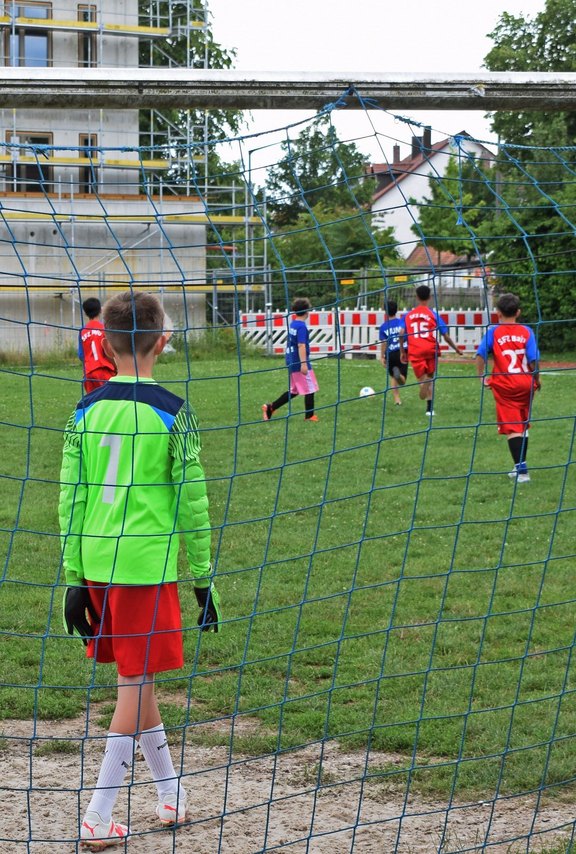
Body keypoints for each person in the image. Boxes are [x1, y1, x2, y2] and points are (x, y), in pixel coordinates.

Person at [59, 291, 220, 850]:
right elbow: (193, 503)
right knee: (134, 680)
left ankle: (170, 791)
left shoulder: (85, 408)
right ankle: (98, 814)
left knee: (139, 673)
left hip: (100, 561)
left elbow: (70, 498)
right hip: (144, 567)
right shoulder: (175, 411)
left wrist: (76, 575)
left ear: (101, 342)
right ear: (165, 341)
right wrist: (203, 578)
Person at [476, 292, 540, 483]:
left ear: (497, 313)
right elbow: (534, 360)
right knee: (522, 424)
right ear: (518, 312)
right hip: (526, 383)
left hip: (505, 386)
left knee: (513, 429)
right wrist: (537, 379)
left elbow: (480, 355)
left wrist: (482, 377)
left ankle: (522, 472)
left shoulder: (493, 332)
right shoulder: (527, 331)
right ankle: (518, 465)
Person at [399, 284, 461, 416]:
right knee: (430, 377)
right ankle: (430, 408)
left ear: (416, 297)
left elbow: (401, 333)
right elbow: (445, 335)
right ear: (430, 297)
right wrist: (456, 349)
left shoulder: (408, 315)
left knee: (422, 379)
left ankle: (423, 388)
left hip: (415, 349)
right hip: (430, 348)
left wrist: (402, 351)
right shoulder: (433, 314)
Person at [262, 297, 319, 422]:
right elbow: (301, 345)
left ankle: (271, 407)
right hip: (299, 362)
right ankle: (309, 416)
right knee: (310, 388)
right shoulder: (301, 327)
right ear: (307, 311)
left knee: (294, 390)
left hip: (291, 360)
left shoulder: (293, 324)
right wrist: (304, 364)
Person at [78, 297, 117, 394]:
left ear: (85, 312)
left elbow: (81, 355)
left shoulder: (82, 331)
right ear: (100, 310)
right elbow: (109, 352)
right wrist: (116, 368)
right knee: (110, 400)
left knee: (94, 402)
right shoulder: (104, 329)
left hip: (89, 373)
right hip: (103, 371)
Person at [379, 299, 408, 405]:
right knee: (403, 380)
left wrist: (382, 356)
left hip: (390, 354)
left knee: (393, 377)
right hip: (402, 351)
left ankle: (397, 399)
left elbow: (384, 343)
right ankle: (399, 375)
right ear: (397, 310)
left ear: (385, 312)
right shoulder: (402, 322)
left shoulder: (383, 327)